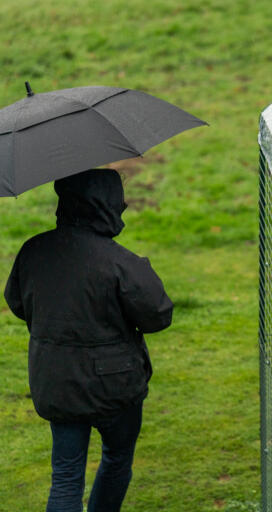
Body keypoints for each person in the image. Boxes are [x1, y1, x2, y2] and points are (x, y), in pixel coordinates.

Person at [4, 169, 173, 512]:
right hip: (116, 384)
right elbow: (158, 315)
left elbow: (17, 302)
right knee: (116, 459)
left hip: (57, 383)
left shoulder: (33, 250)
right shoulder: (120, 262)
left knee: (65, 478)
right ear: (107, 206)